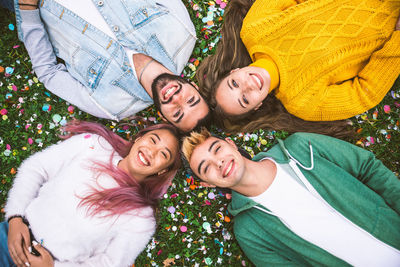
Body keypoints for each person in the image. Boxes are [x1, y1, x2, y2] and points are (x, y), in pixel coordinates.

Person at [182, 128, 400, 266]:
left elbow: (368, 168)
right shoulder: (248, 230)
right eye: (206, 167)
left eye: (217, 149)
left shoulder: (300, 147)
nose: (218, 162)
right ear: (208, 183)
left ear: (231, 144)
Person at [197, 0, 400, 136]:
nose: (247, 85)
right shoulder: (303, 103)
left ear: (234, 71)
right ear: (257, 106)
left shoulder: (254, 29)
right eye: (245, 99)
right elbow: (365, 93)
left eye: (234, 83)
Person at [7, 0, 210, 133]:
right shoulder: (182, 34)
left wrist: (27, 9)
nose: (176, 99)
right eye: (191, 100)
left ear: (164, 117)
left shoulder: (112, 105)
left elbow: (49, 73)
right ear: (195, 87)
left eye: (177, 113)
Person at [0, 120, 181, 267]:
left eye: (163, 155)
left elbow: (110, 263)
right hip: (9, 238)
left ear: (162, 171)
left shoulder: (142, 217)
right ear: (139, 138)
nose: (152, 151)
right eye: (153, 139)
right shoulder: (93, 145)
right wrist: (15, 217)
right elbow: (36, 168)